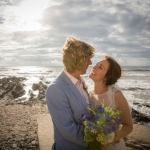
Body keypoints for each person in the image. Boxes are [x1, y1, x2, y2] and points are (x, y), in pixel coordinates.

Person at [46, 37, 95, 150]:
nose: (90, 62)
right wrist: (96, 143)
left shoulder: (81, 82)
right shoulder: (56, 89)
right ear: (79, 59)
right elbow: (68, 130)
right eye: (88, 58)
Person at [88, 55, 133, 150]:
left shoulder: (115, 95)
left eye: (100, 67)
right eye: (96, 64)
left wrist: (109, 139)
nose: (94, 67)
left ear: (107, 77)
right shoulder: (87, 94)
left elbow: (128, 126)